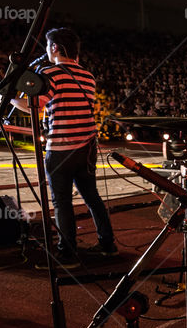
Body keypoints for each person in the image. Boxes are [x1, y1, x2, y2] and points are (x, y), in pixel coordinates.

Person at [7, 28, 116, 268]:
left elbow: (35, 105)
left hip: (61, 149)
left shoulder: (51, 73)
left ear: (55, 47)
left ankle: (67, 254)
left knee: (62, 202)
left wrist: (9, 99)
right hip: (87, 147)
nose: (46, 51)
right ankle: (107, 245)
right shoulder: (87, 75)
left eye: (48, 46)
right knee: (92, 197)